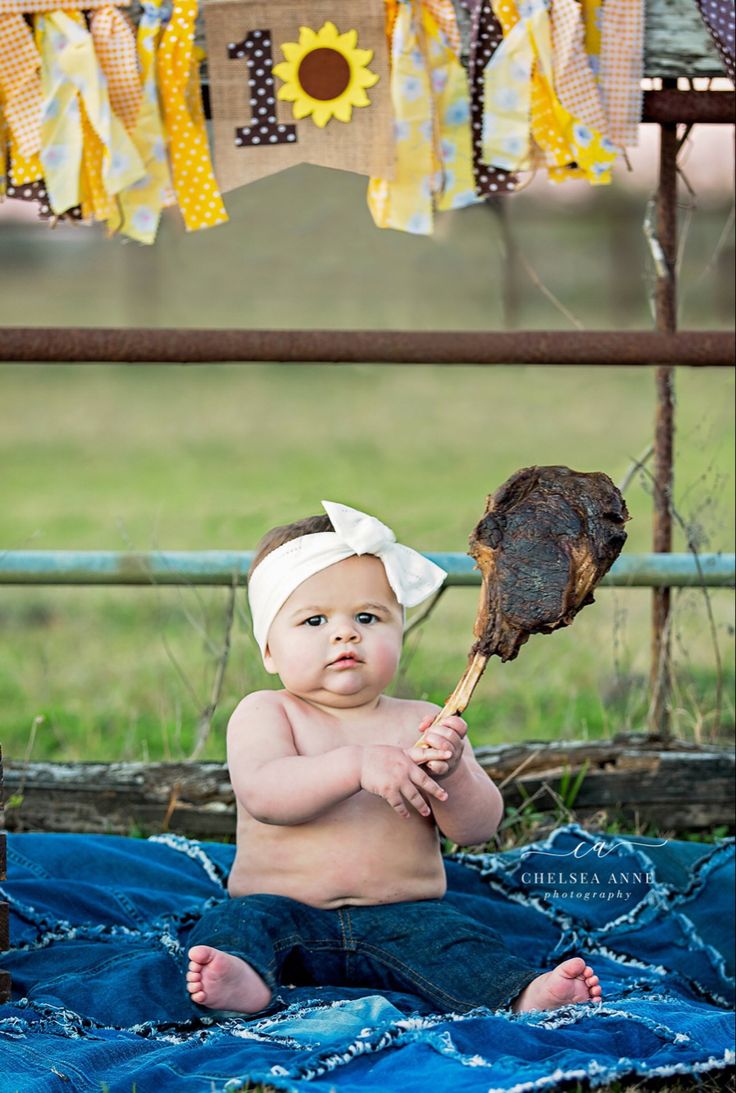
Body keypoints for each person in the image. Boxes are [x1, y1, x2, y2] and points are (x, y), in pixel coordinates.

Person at [186, 501, 603, 1016]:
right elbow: (266, 794)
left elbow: (476, 829)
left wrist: (451, 775)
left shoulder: (425, 721)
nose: (345, 634)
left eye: (368, 617)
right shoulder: (266, 712)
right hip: (283, 910)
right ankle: (245, 982)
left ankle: (521, 994)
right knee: (231, 929)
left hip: (405, 916)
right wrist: (357, 765)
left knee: (462, 944)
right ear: (269, 650)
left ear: (399, 631)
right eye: (314, 620)